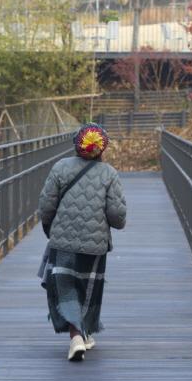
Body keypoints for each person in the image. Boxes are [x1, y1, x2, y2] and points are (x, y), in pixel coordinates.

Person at [37, 123, 127, 361]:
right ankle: (81, 334)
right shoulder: (109, 174)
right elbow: (117, 219)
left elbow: (46, 207)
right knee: (87, 289)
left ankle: (77, 336)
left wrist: (50, 228)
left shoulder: (59, 168)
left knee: (66, 287)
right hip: (94, 246)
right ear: (101, 148)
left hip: (62, 243)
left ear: (76, 145)